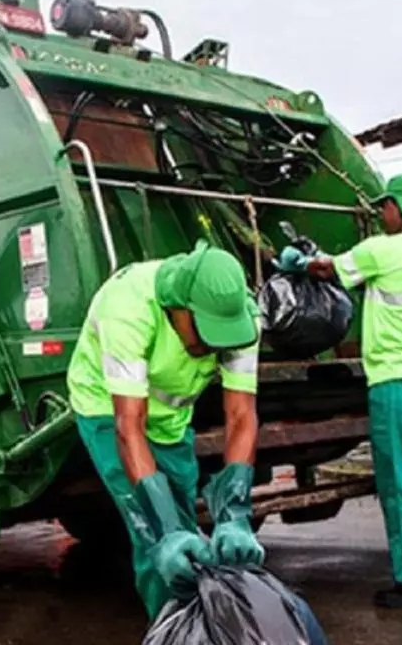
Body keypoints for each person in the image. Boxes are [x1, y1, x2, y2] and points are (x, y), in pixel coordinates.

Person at [274, 173, 402, 608]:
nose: (381, 213)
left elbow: (329, 268)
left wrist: (297, 262)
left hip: (398, 382)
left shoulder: (386, 249)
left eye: (387, 205)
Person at [67, 241, 264, 619]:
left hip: (172, 419)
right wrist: (167, 528)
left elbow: (241, 415)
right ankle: (178, 644)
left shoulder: (244, 321)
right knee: (157, 536)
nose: (211, 346)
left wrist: (235, 512)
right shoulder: (127, 309)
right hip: (108, 410)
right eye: (204, 332)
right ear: (179, 307)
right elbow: (130, 427)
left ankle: (199, 624)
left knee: (184, 524)